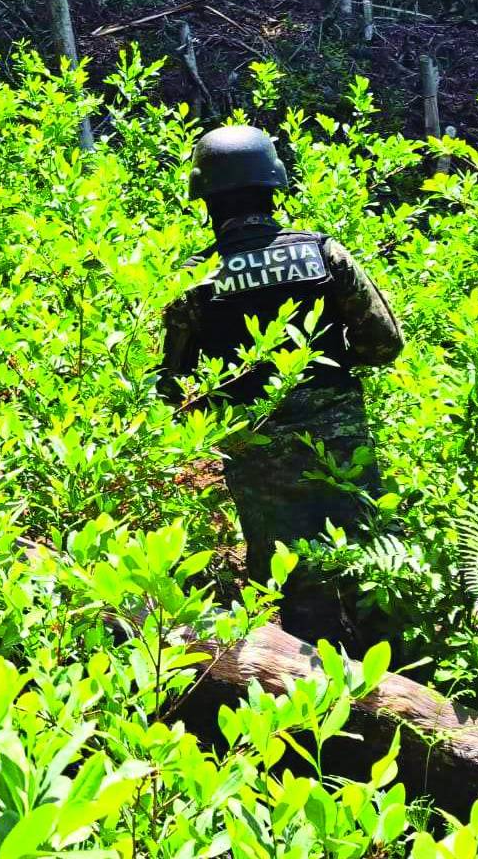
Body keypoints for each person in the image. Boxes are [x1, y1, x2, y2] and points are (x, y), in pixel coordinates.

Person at [159, 125, 404, 647]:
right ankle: (401, 676)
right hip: (342, 447)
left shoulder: (195, 278)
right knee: (373, 563)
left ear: (205, 200)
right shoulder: (322, 254)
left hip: (256, 452)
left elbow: (175, 390)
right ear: (275, 187)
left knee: (290, 585)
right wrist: (333, 368)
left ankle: (317, 708)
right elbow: (384, 343)